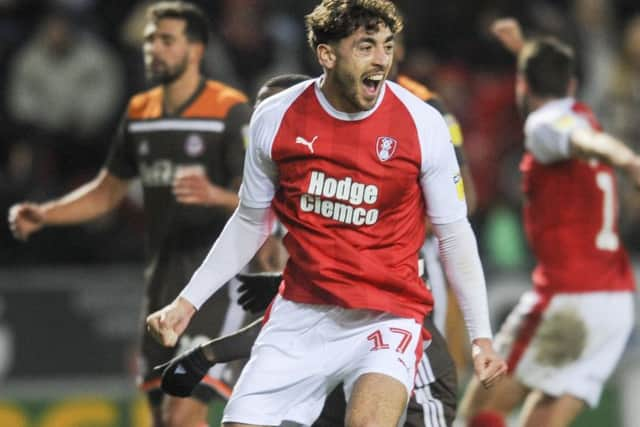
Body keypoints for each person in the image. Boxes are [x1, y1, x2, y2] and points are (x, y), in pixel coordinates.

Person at [147, 2, 506, 426]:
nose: (381, 60)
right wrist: (187, 304)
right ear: (327, 55)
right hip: (301, 315)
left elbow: (454, 234)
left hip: (387, 314)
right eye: (366, 46)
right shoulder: (276, 117)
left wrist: (481, 337)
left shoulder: (422, 124)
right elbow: (250, 221)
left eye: (386, 46)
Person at [7, 2, 252, 427]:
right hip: (158, 286)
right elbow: (107, 192)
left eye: (165, 40)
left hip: (212, 284)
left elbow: (263, 204)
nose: (153, 50)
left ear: (195, 50)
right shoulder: (141, 112)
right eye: (150, 41)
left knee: (185, 412)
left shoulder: (230, 111)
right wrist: (46, 214)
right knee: (161, 416)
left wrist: (213, 194)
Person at [459, 18, 640, 427]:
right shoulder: (582, 110)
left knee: (479, 412)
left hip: (569, 299)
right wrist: (523, 47)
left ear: (523, 87)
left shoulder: (544, 124)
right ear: (571, 85)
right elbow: (579, 128)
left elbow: (580, 140)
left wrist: (629, 161)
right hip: (614, 303)